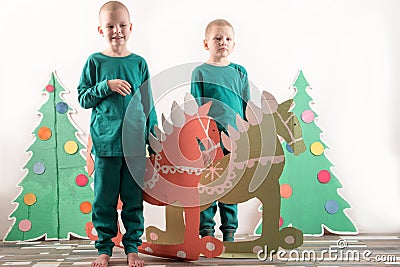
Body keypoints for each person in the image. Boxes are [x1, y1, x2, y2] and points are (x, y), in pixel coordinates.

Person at [77, 1, 157, 266]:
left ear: (130, 27)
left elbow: (148, 104)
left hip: (134, 146)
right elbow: (83, 98)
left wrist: (154, 139)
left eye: (122, 25)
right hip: (105, 145)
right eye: (110, 26)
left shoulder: (139, 63)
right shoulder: (94, 62)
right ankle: (105, 248)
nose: (117, 30)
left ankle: (132, 248)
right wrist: (106, 86)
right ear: (101, 29)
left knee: (133, 201)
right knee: (104, 201)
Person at [191, 19, 250, 242]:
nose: (222, 42)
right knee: (208, 184)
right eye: (217, 38)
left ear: (233, 44)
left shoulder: (239, 71)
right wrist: (202, 138)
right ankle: (206, 231)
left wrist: (246, 134)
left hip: (234, 139)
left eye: (227, 39)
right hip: (208, 140)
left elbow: (246, 106)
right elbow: (196, 106)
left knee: (230, 184)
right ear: (206, 44)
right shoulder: (200, 72)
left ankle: (229, 231)